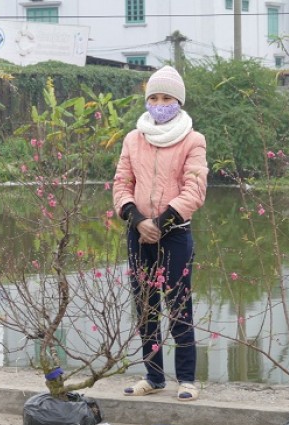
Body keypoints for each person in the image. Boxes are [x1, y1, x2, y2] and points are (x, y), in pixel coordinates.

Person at [112, 65, 208, 401]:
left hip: (175, 233)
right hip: (139, 234)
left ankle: (186, 379)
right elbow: (122, 184)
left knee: (179, 306)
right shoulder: (133, 139)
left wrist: (161, 223)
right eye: (154, 96)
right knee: (145, 306)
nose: (159, 102)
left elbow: (194, 190)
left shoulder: (193, 140)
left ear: (178, 101)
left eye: (167, 97)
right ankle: (153, 377)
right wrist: (137, 219)